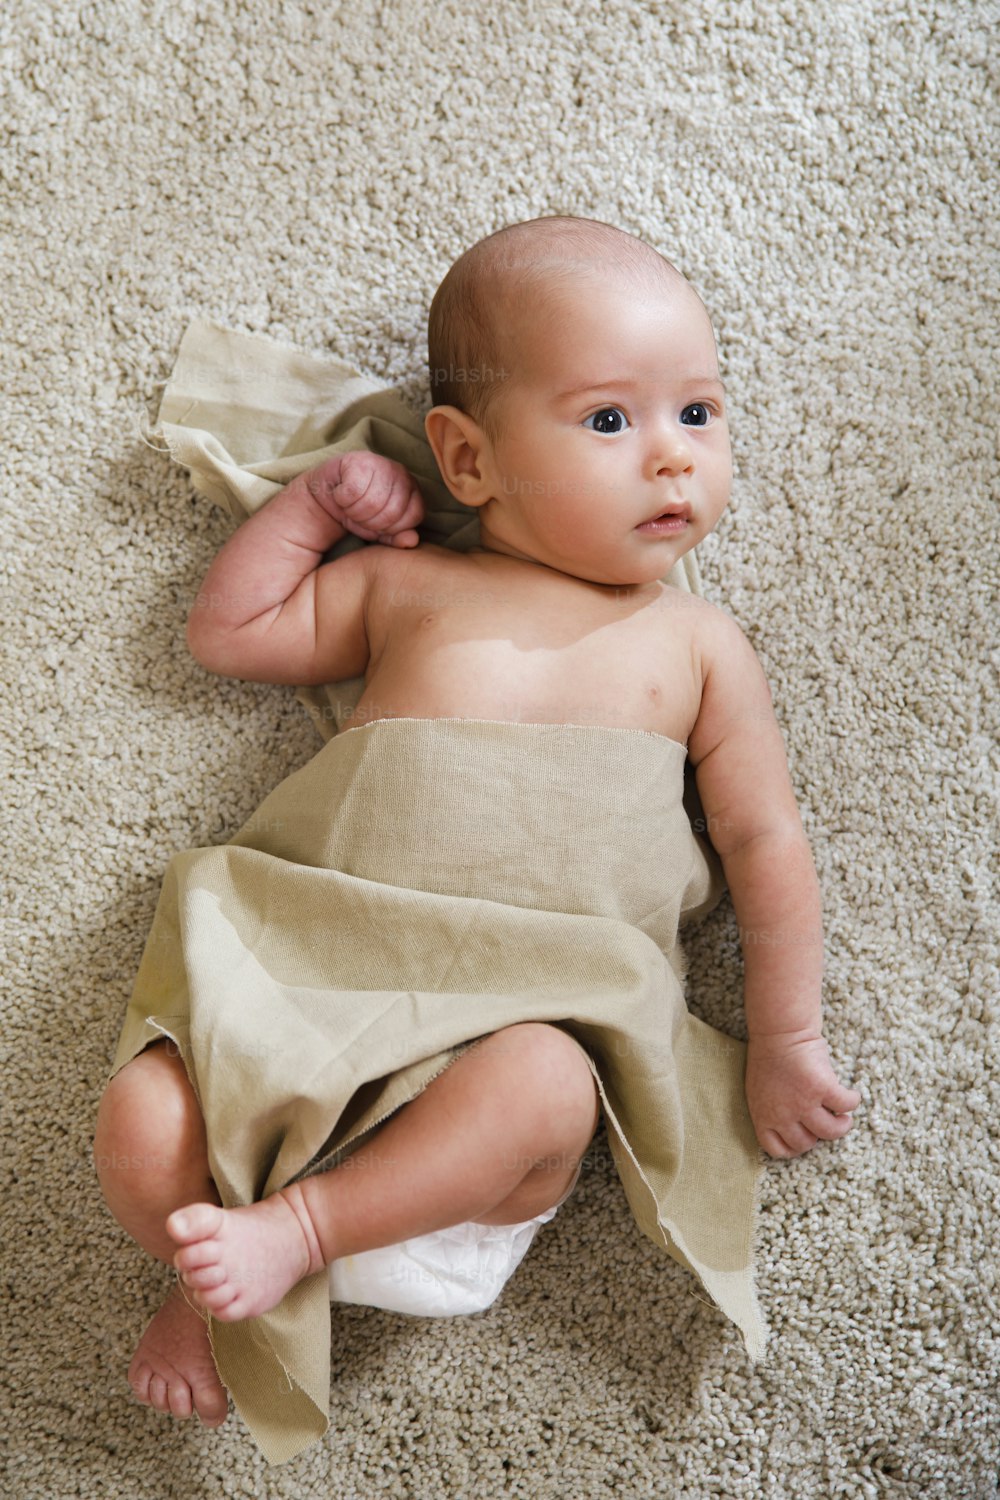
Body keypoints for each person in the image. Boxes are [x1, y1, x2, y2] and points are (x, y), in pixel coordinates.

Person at [94, 215, 861, 1434]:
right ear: (466, 460)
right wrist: (309, 511)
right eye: (611, 421)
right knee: (141, 1120)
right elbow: (228, 636)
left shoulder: (701, 647)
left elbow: (765, 841)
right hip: (320, 994)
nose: (672, 459)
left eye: (698, 415)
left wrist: (787, 1036)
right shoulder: (408, 589)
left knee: (549, 1081)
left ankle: (300, 1235)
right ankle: (217, 1271)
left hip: (485, 1100)